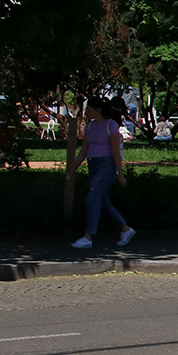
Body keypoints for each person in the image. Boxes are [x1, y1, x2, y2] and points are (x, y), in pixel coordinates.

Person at [71, 97, 135, 249]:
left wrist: (120, 174)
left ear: (98, 110)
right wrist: (72, 169)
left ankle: (88, 236)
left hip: (106, 165)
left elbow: (115, 151)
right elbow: (84, 150)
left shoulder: (110, 125)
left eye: (90, 110)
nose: (87, 113)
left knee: (92, 198)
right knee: (104, 204)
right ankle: (126, 229)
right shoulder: (90, 126)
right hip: (93, 164)